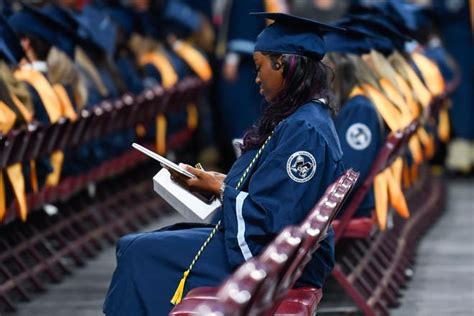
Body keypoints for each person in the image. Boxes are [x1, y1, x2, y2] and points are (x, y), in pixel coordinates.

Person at [103, 12, 345, 316]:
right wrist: (222, 181)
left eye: (259, 68)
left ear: (282, 64)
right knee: (143, 243)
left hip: (266, 260)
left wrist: (219, 189)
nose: (256, 78)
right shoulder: (304, 119)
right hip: (273, 253)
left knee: (137, 251)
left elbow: (276, 218)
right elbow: (279, 198)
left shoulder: (305, 129)